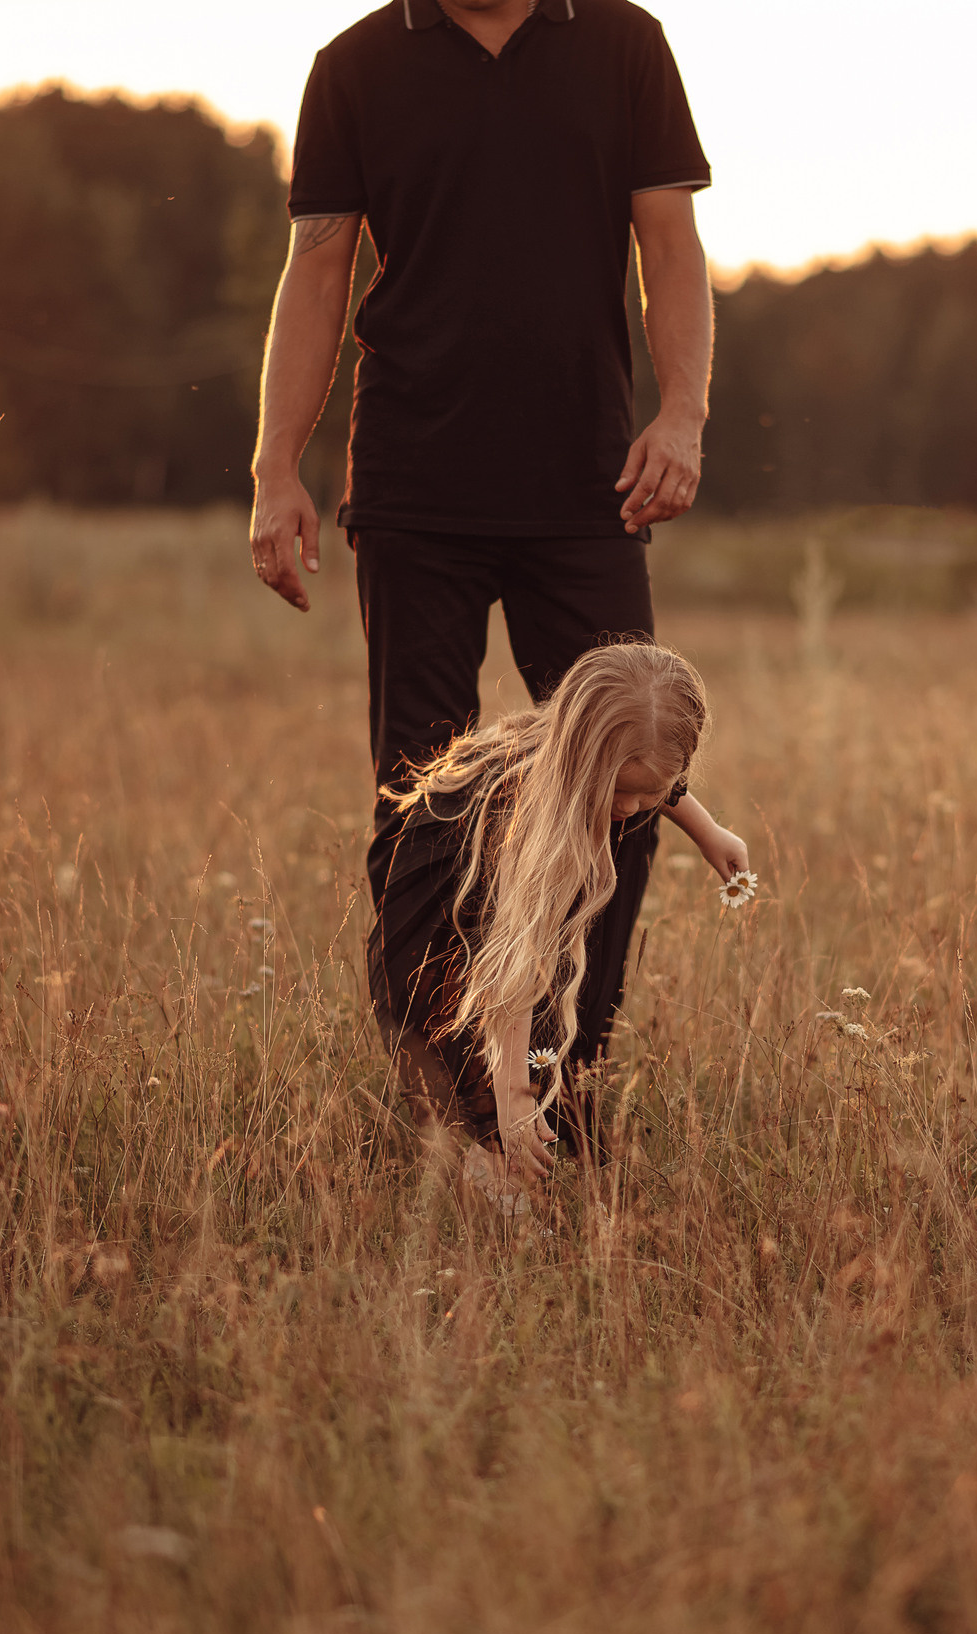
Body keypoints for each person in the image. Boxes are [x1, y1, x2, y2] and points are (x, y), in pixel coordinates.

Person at [247, 0, 717, 1136]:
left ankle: (564, 1081)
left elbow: (669, 242)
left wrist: (685, 415)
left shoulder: (623, 44)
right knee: (421, 804)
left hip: (588, 486)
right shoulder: (355, 66)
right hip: (417, 483)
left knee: (627, 781)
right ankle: (448, 1092)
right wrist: (274, 467)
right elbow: (316, 269)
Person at [373, 643, 747, 1179]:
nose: (629, 808)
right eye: (618, 789)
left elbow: (656, 780)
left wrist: (709, 831)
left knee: (545, 1011)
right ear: (581, 757)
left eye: (650, 794)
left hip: (494, 900)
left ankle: (512, 1134)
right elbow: (514, 967)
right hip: (438, 919)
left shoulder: (605, 763)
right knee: (474, 1045)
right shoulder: (539, 818)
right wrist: (512, 1096)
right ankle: (495, 1158)